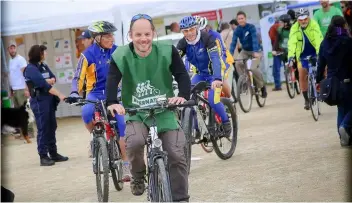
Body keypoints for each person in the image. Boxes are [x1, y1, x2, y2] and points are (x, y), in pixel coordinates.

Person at [105, 14, 191, 201]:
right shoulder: (121, 55)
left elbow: (182, 75)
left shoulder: (168, 50)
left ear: (153, 33)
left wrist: (183, 95)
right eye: (138, 34)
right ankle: (137, 176)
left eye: (146, 34)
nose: (143, 39)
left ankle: (181, 198)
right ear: (130, 35)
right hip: (136, 113)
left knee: (176, 153)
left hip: (165, 110)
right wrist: (112, 101)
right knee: (134, 142)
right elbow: (112, 80)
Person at [69, 21, 131, 180]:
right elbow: (78, 77)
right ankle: (94, 138)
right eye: (108, 35)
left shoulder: (118, 51)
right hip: (94, 93)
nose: (112, 38)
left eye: (112, 35)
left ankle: (126, 165)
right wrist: (75, 92)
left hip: (115, 94)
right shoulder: (87, 55)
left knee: (122, 124)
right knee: (86, 112)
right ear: (97, 38)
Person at [177, 15, 232, 137]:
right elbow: (175, 62)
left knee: (213, 100)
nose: (189, 33)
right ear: (182, 32)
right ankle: (195, 128)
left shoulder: (207, 38)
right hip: (200, 74)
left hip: (215, 73)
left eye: (191, 29)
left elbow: (215, 59)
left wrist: (217, 78)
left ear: (196, 28)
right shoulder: (182, 43)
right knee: (188, 98)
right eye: (185, 31)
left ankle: (226, 122)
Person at [23, 45, 68, 166]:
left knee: (52, 126)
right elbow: (43, 85)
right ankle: (43, 156)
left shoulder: (43, 66)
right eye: (44, 52)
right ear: (39, 54)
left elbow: (53, 77)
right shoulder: (31, 68)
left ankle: (53, 153)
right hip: (39, 100)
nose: (46, 54)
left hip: (48, 99)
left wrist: (49, 80)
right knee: (43, 128)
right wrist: (59, 94)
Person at [316, 16, 352, 147]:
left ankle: (344, 138)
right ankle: (345, 126)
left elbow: (320, 64)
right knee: (347, 108)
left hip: (332, 84)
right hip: (347, 81)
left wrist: (318, 80)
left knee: (341, 109)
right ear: (343, 26)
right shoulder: (347, 41)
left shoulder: (324, 42)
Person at [287, 8, 323, 110]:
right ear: (297, 20)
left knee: (323, 69)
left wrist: (319, 53)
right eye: (300, 19)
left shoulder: (314, 24)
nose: (303, 21)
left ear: (308, 18)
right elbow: (292, 42)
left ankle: (321, 89)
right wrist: (290, 56)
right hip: (302, 54)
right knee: (302, 74)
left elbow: (318, 38)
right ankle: (307, 99)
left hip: (314, 52)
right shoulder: (294, 28)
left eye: (305, 19)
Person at [230, 11, 267, 98]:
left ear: (245, 19)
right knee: (238, 63)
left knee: (253, 68)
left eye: (242, 18)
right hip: (245, 51)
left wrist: (255, 52)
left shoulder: (251, 27)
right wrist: (230, 54)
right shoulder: (237, 30)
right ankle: (244, 81)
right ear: (237, 20)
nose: (240, 20)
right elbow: (233, 43)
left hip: (256, 50)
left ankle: (262, 86)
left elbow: (254, 39)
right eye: (239, 19)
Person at [195, 16, 234, 98]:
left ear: (206, 28)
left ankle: (228, 98)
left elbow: (222, 51)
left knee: (221, 77)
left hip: (224, 59)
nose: (199, 33)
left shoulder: (215, 35)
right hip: (207, 62)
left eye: (201, 30)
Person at [7, 41, 35, 138]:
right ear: (8, 50)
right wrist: (11, 90)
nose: (12, 50)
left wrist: (27, 89)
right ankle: (23, 133)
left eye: (14, 47)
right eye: (11, 48)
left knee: (26, 111)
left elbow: (25, 74)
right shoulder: (10, 61)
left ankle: (30, 132)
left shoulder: (21, 59)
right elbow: (11, 77)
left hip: (22, 89)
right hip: (15, 90)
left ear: (16, 49)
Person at [269, 19, 282, 91]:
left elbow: (271, 38)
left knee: (276, 70)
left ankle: (278, 86)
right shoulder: (283, 27)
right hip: (285, 49)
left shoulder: (272, 28)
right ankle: (294, 83)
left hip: (276, 50)